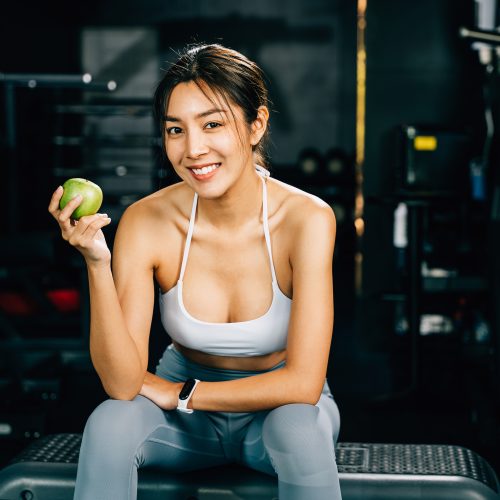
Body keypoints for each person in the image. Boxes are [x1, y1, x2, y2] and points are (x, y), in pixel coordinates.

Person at [48, 43, 342, 500]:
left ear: (255, 124)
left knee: (301, 433)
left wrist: (182, 393)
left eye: (212, 124)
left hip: (278, 412)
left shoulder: (307, 219)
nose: (194, 149)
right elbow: (122, 383)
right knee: (108, 423)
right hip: (184, 425)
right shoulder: (147, 221)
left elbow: (302, 383)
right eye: (175, 130)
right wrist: (96, 262)